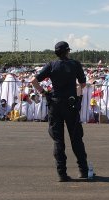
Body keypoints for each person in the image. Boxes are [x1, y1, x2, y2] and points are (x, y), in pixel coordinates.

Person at [30, 41, 91, 182]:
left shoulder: (51, 65)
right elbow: (82, 84)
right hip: (70, 104)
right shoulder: (75, 64)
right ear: (67, 51)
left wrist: (45, 93)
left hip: (55, 104)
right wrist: (77, 97)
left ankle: (62, 173)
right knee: (76, 138)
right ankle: (83, 170)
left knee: (58, 140)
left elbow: (33, 80)